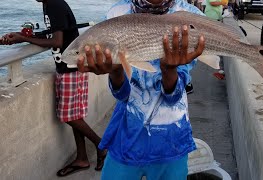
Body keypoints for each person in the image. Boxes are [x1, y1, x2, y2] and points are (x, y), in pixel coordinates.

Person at [76, 0, 205, 179]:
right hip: (125, 138)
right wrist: (115, 70)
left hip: (171, 140)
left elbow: (173, 97)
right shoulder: (117, 13)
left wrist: (169, 69)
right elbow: (122, 95)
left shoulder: (190, 16)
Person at [0, 0, 106, 177]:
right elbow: (55, 34)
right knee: (75, 115)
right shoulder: (51, 3)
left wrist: (24, 38)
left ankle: (101, 146)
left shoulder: (54, 4)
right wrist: (21, 35)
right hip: (71, 67)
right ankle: (82, 158)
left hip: (69, 68)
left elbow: (57, 42)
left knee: (67, 116)